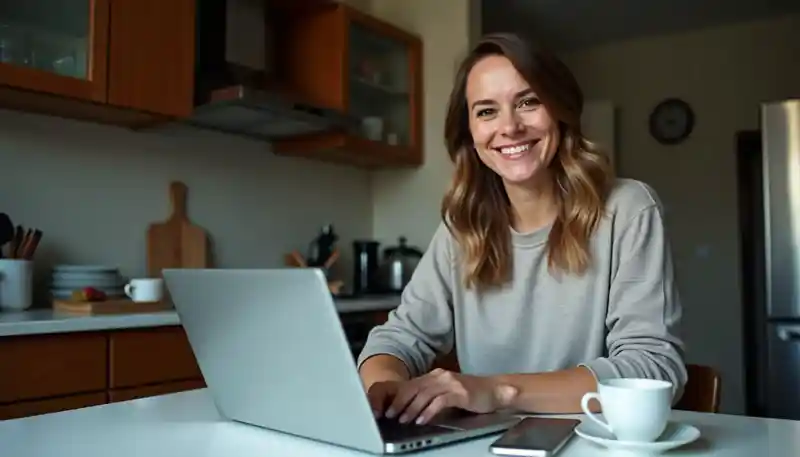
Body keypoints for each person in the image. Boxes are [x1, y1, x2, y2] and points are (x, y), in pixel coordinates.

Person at [356, 32, 687, 426]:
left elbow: (653, 369)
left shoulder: (627, 209)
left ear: (560, 111)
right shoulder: (461, 229)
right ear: (470, 134)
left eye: (528, 102)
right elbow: (397, 339)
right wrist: (385, 389)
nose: (509, 127)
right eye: (486, 111)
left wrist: (497, 391)